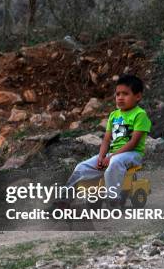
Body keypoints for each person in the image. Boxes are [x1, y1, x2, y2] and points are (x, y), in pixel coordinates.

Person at [64, 74, 152, 206]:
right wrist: (101, 157)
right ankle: (64, 200)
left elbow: (133, 143)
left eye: (125, 94)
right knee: (81, 167)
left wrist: (110, 157)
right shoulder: (114, 115)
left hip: (132, 154)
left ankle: (113, 197)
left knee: (115, 162)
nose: (120, 97)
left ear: (138, 96)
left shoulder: (140, 115)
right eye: (118, 94)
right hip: (113, 154)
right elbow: (106, 140)